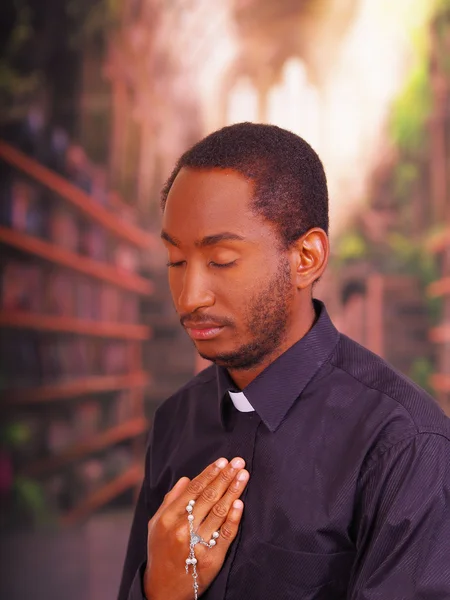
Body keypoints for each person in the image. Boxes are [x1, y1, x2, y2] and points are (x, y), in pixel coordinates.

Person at [118, 123, 450, 600]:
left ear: (306, 257)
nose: (190, 296)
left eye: (222, 259)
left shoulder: (406, 447)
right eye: (175, 261)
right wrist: (161, 589)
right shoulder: (175, 421)